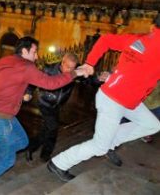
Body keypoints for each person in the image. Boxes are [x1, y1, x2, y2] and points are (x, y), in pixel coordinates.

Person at [0, 36, 87, 193]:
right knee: (8, 159)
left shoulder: (3, 61)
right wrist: (75, 73)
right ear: (24, 51)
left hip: (2, 115)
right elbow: (51, 83)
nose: (36, 56)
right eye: (34, 52)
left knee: (22, 141)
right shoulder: (26, 67)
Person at [48, 14, 160, 182]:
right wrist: (89, 63)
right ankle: (59, 163)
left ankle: (111, 142)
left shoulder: (141, 39)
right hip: (112, 100)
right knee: (99, 146)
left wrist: (90, 63)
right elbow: (107, 40)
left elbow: (106, 40)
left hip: (127, 100)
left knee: (152, 124)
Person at [26, 53, 79, 163]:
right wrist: (29, 92)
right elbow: (34, 80)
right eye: (68, 67)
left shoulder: (74, 72)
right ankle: (45, 154)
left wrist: (98, 78)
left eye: (73, 68)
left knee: (47, 128)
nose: (70, 71)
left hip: (57, 106)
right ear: (62, 62)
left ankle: (31, 148)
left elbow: (88, 78)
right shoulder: (48, 69)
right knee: (53, 127)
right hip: (45, 102)